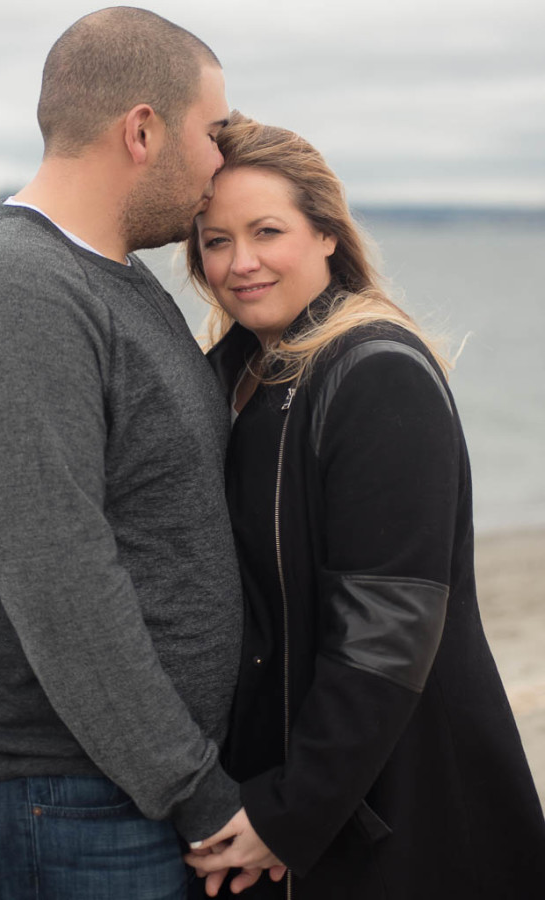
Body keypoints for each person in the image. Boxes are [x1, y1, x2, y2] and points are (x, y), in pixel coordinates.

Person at [0, 9, 247, 899]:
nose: (223, 162)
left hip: (114, 789)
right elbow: (56, 569)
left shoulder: (114, 280)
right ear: (142, 130)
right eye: (215, 133)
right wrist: (195, 792)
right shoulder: (12, 288)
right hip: (49, 798)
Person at [183, 111, 545, 898]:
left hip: (403, 804)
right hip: (311, 785)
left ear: (325, 235)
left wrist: (292, 810)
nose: (240, 262)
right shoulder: (245, 373)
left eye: (266, 231)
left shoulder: (378, 374)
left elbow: (387, 631)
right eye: (215, 241)